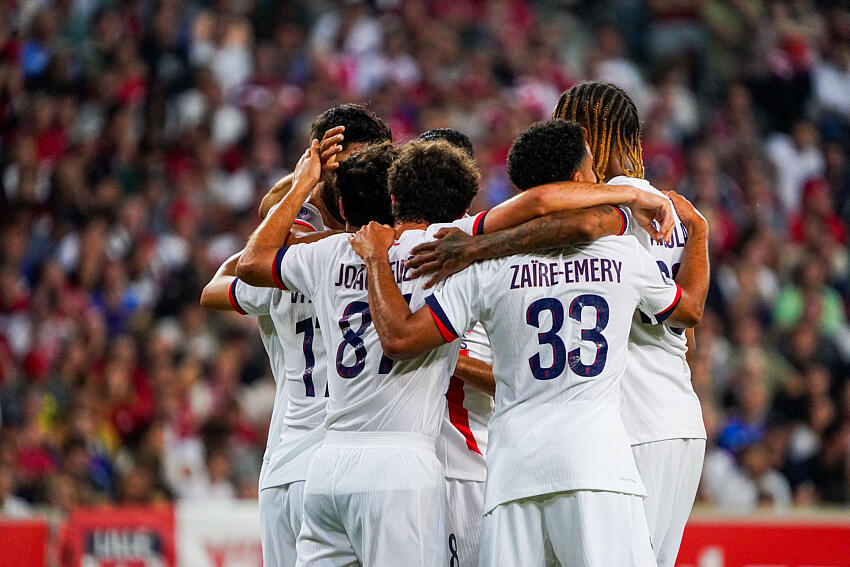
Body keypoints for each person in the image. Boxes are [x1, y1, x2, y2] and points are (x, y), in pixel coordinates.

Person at [235, 133, 677, 565]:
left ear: (395, 199)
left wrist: (301, 183)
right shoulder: (447, 243)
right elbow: (540, 204)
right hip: (401, 465)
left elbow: (251, 263)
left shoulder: (327, 252)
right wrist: (631, 196)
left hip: (326, 464)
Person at [348, 118, 703, 566]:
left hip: (513, 473)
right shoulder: (624, 252)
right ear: (579, 181)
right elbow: (687, 312)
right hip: (596, 464)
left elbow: (402, 336)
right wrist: (695, 230)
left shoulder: (478, 256)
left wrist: (376, 258)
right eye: (593, 172)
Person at [200, 102, 393, 567]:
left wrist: (302, 177)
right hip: (344, 462)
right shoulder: (382, 253)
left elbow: (216, 288)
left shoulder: (280, 261)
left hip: (285, 466)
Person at [418, 128, 493, 567]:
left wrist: (449, 360)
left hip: (466, 470)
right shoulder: (393, 251)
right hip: (410, 468)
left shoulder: (489, 262)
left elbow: (511, 381)